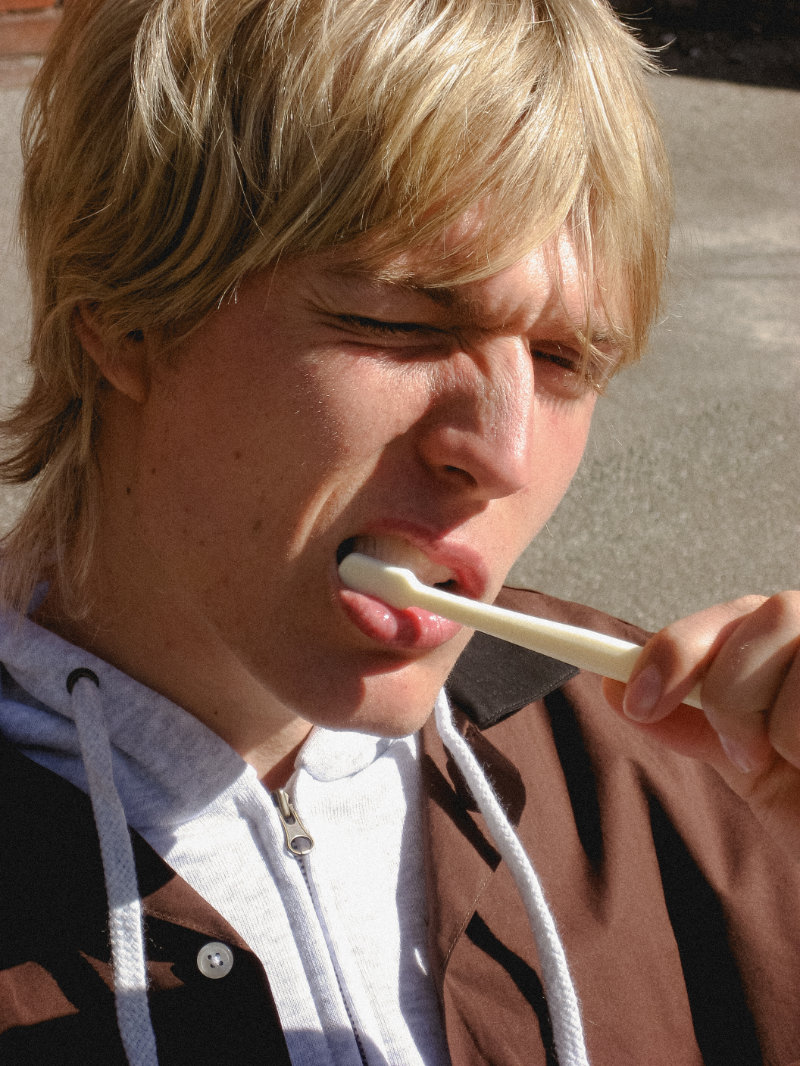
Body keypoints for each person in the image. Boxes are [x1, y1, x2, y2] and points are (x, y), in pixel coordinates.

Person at [0, 0, 798, 1063]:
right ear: (126, 313)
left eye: (564, 361)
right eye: (400, 324)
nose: (501, 451)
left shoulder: (677, 770)